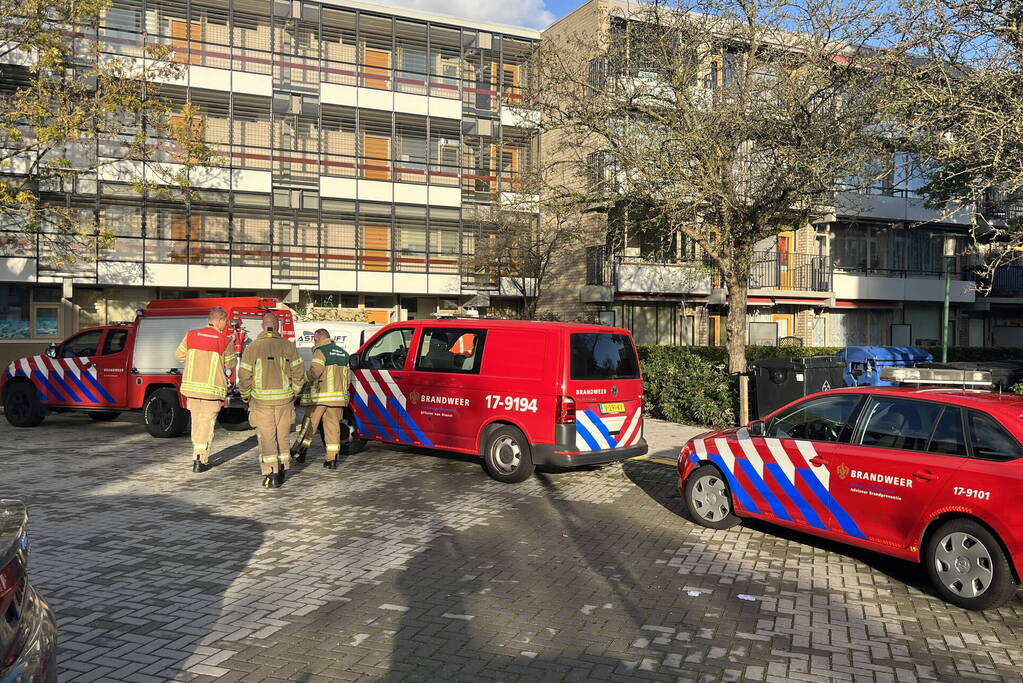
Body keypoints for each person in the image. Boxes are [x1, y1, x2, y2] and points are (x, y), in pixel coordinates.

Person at [237, 312, 304, 489]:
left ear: (262, 326)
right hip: (284, 401)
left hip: (261, 402)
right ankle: (283, 469)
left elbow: (244, 375)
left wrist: (245, 395)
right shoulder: (288, 346)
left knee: (267, 438)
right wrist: (295, 393)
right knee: (283, 437)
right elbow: (299, 373)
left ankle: (271, 475)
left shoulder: (253, 348)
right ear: (278, 327)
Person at [175, 307, 235, 473]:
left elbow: (179, 356)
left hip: (192, 389)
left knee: (196, 423)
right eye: (226, 321)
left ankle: (196, 454)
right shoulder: (224, 340)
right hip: (211, 391)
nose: (226, 324)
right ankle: (200, 460)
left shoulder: (191, 335)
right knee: (207, 426)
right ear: (220, 321)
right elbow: (231, 364)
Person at [292, 329, 351, 469]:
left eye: (314, 339)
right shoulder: (344, 353)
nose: (314, 342)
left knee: (309, 425)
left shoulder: (321, 351)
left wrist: (302, 379)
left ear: (318, 337)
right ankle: (332, 459)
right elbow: (347, 379)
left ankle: (299, 452)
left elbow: (315, 372)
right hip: (337, 399)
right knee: (333, 428)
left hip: (320, 397)